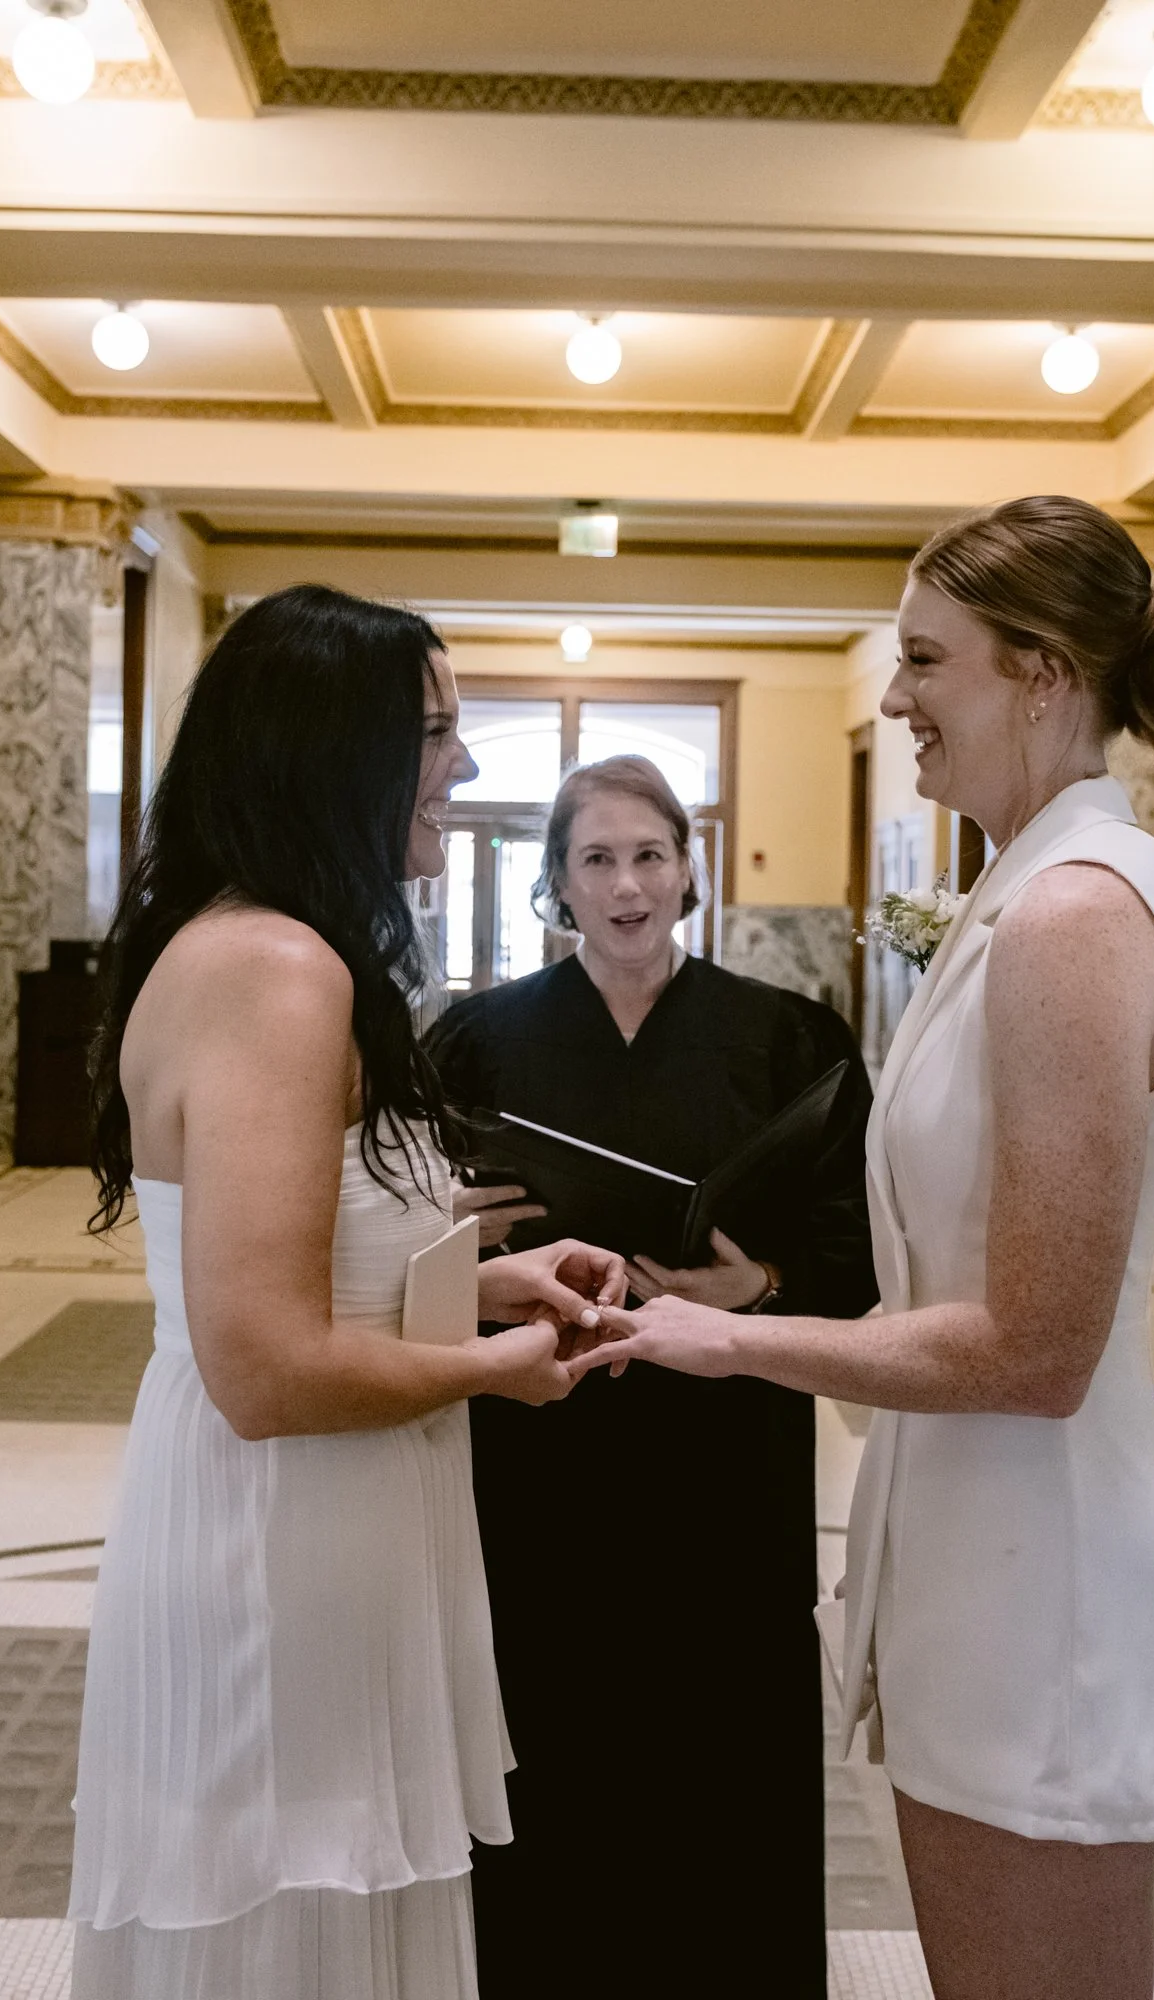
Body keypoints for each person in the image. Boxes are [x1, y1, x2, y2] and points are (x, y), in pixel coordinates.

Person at [573, 498, 1154, 2000]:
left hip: (1037, 1567)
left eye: (928, 660)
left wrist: (724, 1340)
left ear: (1044, 671)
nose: (894, 699)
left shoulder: (1072, 921)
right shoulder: (1028, 893)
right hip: (973, 1545)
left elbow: (1032, 1347)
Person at [70, 585, 624, 2000]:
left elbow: (300, 1267)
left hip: (328, 1521)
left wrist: (483, 1286)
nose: (469, 767)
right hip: (281, 1541)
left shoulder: (272, 948)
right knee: (289, 1925)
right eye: (437, 733)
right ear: (334, 754)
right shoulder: (275, 971)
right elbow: (261, 1365)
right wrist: (492, 1374)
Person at [426, 755, 878, 2000]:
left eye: (649, 855)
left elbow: (859, 1247)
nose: (626, 885)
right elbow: (394, 1246)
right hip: (539, 1436)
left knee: (717, 1739)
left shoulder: (791, 1035)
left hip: (721, 1444)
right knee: (545, 1718)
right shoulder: (473, 1039)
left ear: (690, 869)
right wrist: (446, 1227)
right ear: (556, 884)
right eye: (595, 858)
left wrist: (759, 1289)